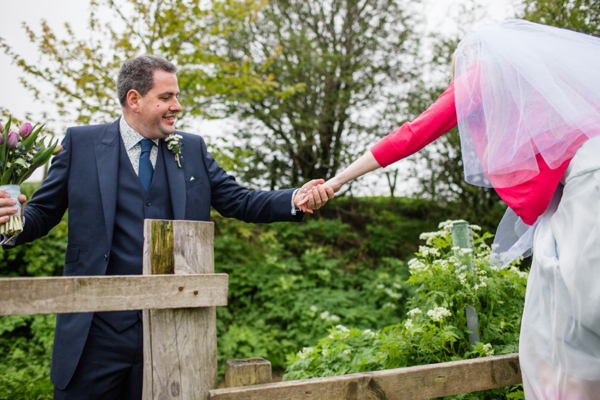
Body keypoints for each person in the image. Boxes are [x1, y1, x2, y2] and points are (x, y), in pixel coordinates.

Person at [0, 55, 333, 399]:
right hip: (94, 332)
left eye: (176, 96)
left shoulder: (192, 148)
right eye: (166, 97)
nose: (177, 106)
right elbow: (42, 214)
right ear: (134, 99)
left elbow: (240, 200)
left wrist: (295, 198)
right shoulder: (80, 144)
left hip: (172, 329)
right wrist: (9, 221)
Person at [319, 20, 600, 399]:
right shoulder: (539, 88)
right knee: (551, 316)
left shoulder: (483, 76)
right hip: (572, 190)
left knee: (586, 306)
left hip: (589, 183)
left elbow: (413, 133)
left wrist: (338, 181)